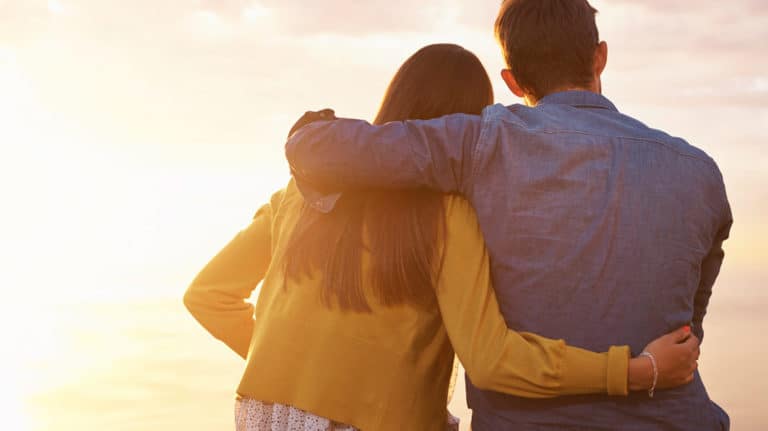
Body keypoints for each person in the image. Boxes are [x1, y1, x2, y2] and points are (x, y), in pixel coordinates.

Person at [185, 44, 698, 431]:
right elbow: (492, 360)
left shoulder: (300, 193)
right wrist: (635, 370)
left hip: (262, 414)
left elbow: (206, 297)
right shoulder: (448, 214)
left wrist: (292, 365)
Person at [284, 1, 733, 430]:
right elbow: (688, 335)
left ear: (513, 81)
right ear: (600, 57)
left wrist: (307, 128)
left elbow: (317, 151)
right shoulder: (701, 172)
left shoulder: (482, 143)